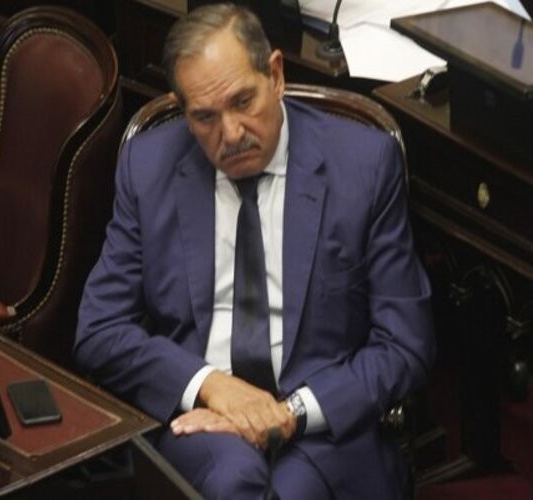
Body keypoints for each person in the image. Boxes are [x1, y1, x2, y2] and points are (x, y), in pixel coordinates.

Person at [75, 3, 435, 498]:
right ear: (182, 111)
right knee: (234, 480)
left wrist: (289, 414)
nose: (231, 134)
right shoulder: (148, 165)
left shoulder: (363, 165)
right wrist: (210, 385)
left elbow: (405, 345)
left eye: (243, 101)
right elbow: (100, 330)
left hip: (323, 425)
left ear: (276, 75)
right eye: (205, 117)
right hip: (204, 423)